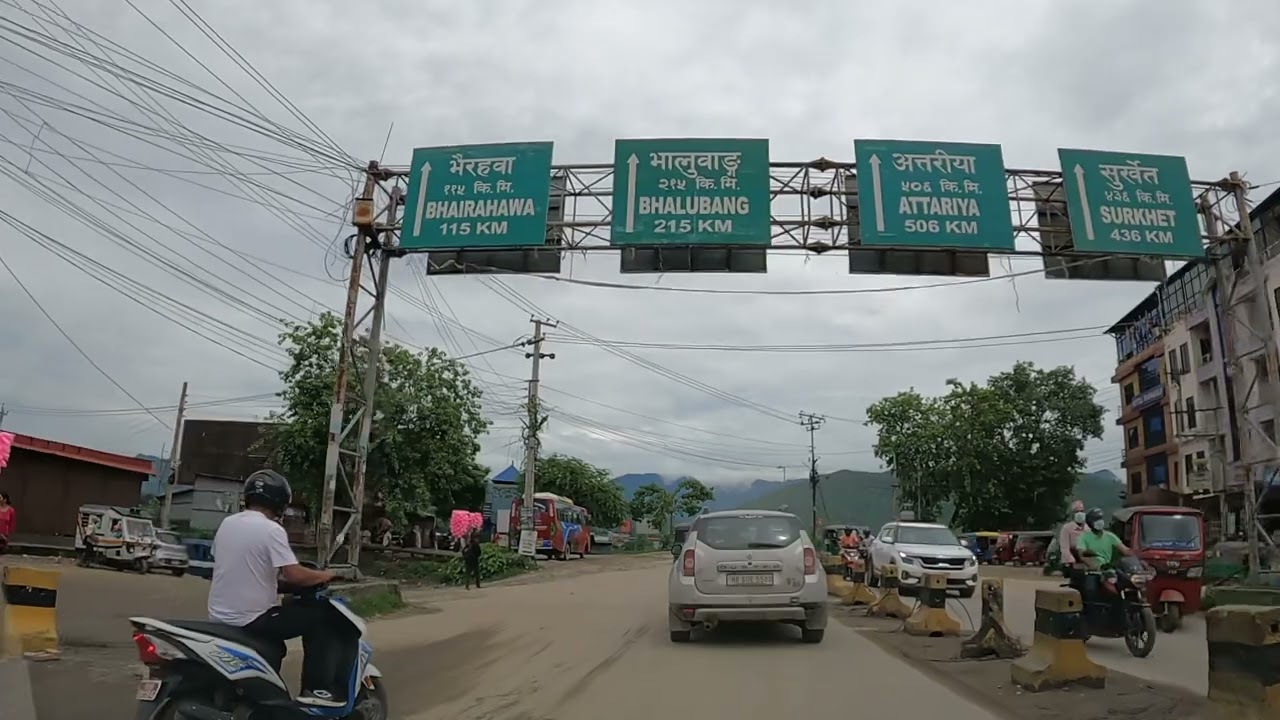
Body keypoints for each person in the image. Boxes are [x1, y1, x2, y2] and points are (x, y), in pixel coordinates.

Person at [206, 470, 345, 708]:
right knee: (323, 617)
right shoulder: (272, 530)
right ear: (280, 502)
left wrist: (278, 584)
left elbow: (243, 570)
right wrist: (325, 575)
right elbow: (294, 573)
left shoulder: (227, 524)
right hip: (251, 619)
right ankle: (317, 689)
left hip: (219, 616)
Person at [1075, 507, 1132, 602]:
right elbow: (1082, 555)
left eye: (1100, 519)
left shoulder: (1109, 536)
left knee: (1125, 586)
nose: (1100, 522)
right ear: (1090, 523)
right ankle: (1092, 614)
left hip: (1109, 570)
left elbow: (1125, 550)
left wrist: (1138, 557)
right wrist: (1093, 565)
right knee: (1091, 591)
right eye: (1096, 520)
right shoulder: (1084, 537)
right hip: (1094, 572)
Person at [1058, 500, 1088, 579]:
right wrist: (1073, 562)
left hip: (1086, 561)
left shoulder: (1088, 529)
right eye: (1077, 511)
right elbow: (1064, 548)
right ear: (1073, 514)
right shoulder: (1067, 528)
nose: (1080, 513)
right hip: (1072, 562)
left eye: (1081, 511)